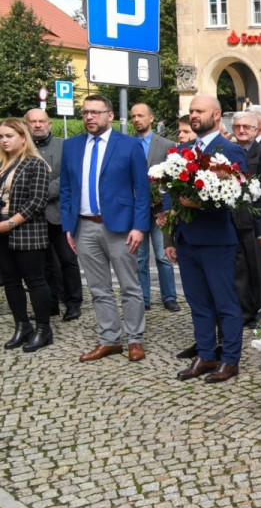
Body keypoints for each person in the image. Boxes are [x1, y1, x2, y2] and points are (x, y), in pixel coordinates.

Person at [60, 95, 151, 363]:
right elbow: (66, 189)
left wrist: (139, 226)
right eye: (85, 112)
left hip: (121, 227)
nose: (89, 117)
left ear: (110, 115)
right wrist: (68, 226)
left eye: (95, 112)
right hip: (84, 226)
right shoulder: (71, 146)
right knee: (98, 288)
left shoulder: (129, 145)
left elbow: (142, 190)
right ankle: (110, 339)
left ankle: (134, 339)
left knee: (130, 286)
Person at [167, 94, 248, 383]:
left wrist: (201, 204)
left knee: (225, 303)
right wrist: (170, 237)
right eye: (191, 111)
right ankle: (206, 354)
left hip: (216, 239)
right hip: (187, 239)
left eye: (199, 110)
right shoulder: (183, 150)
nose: (194, 115)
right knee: (198, 302)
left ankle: (230, 359)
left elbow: (237, 196)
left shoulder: (230, 150)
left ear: (216, 115)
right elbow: (171, 192)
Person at [0, 119, 54, 352]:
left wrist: (10, 223)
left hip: (27, 231)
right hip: (2, 231)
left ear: (23, 138)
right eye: (1, 136)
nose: (4, 140)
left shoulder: (35, 164)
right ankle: (22, 326)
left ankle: (43, 329)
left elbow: (37, 201)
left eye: (9, 136)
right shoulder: (2, 164)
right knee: (10, 281)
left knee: (35, 281)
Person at [25, 108, 82, 321]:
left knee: (68, 260)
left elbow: (69, 176)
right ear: (26, 125)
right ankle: (49, 305)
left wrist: (40, 193)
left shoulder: (64, 146)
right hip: (32, 218)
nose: (38, 125)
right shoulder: (22, 148)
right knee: (43, 264)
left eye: (42, 121)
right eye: (33, 122)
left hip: (59, 214)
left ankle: (73, 303)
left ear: (49, 123)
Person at [130, 103, 180, 313]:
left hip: (160, 208)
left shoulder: (166, 145)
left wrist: (167, 207)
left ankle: (169, 296)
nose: (136, 119)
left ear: (151, 118)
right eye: (133, 116)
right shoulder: (128, 144)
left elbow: (172, 178)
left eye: (140, 115)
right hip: (137, 210)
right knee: (140, 257)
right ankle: (143, 298)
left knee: (162, 254)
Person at [230, 111, 261, 321]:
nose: (241, 130)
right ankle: (245, 313)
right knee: (239, 271)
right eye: (237, 127)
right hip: (233, 221)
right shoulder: (228, 153)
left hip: (256, 223)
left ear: (256, 129)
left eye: (246, 127)